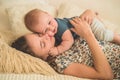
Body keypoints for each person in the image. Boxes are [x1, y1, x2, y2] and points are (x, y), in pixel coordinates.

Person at [12, 17, 120, 79]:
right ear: (42, 58)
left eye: (39, 35)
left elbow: (97, 28)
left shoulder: (60, 36)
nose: (46, 36)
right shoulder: (60, 62)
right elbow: (106, 75)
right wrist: (88, 34)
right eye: (42, 44)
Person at [24, 9, 120, 57]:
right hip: (84, 30)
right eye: (45, 30)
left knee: (104, 35)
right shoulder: (54, 32)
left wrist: (57, 50)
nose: (51, 28)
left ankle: (117, 37)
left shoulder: (60, 27)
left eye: (49, 22)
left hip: (89, 24)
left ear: (49, 14)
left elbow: (69, 41)